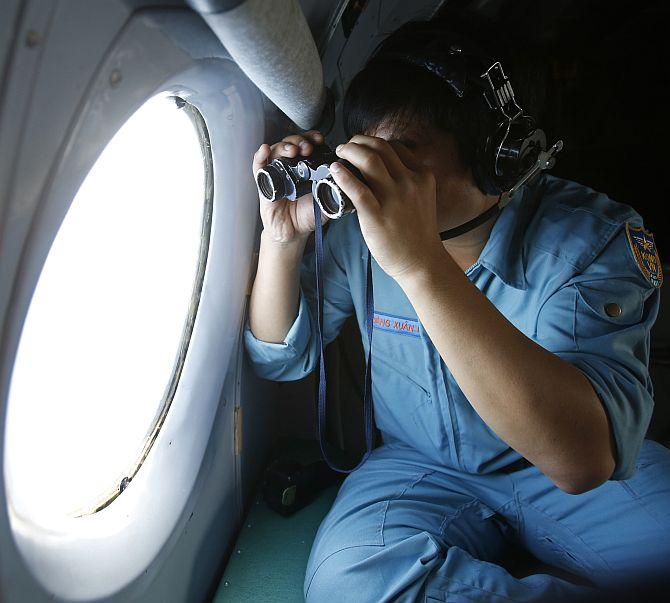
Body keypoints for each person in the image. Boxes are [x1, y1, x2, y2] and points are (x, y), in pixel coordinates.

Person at [244, 21, 670, 603]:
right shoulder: (357, 234)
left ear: (502, 166)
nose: (374, 177)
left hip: (558, 476)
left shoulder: (592, 243)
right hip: (420, 467)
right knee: (349, 583)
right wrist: (282, 240)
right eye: (369, 146)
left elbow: (581, 462)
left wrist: (421, 265)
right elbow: (280, 359)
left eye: (404, 159)